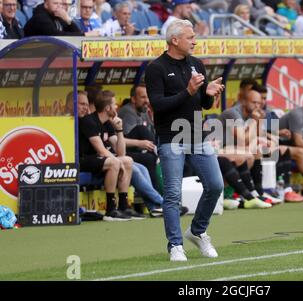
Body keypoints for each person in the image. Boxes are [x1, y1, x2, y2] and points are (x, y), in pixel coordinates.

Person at [145, 19, 225, 262]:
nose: (195, 41)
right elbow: (158, 105)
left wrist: (208, 94)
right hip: (171, 137)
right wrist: (188, 92)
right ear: (175, 40)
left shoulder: (196, 63)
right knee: (172, 195)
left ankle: (198, 232)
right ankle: (175, 245)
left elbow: (201, 103)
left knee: (216, 185)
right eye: (190, 37)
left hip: (197, 135)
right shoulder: (156, 68)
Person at [78, 90, 136, 221]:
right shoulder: (89, 121)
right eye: (115, 104)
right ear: (108, 107)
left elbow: (121, 152)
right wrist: (117, 161)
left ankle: (123, 206)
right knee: (115, 162)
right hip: (85, 159)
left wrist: (119, 129)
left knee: (128, 160)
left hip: (100, 159)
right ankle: (110, 209)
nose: (117, 107)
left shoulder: (108, 123)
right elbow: (100, 150)